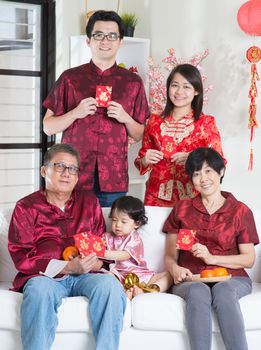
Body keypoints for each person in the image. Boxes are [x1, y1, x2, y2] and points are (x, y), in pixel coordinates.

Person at [8, 144, 126, 350]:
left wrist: (95, 263)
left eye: (72, 169)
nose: (66, 174)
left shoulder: (89, 202)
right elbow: (21, 256)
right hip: (45, 277)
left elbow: (100, 246)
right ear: (45, 170)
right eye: (60, 166)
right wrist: (66, 268)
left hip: (87, 275)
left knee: (110, 287)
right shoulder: (25, 207)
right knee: (38, 291)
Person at [43, 10, 149, 207]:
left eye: (112, 36)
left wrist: (125, 118)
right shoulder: (70, 78)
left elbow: (140, 133)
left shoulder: (132, 82)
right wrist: (75, 112)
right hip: (73, 176)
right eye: (98, 35)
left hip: (113, 178)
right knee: (72, 235)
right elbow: (48, 127)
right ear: (88, 41)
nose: (105, 41)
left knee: (110, 233)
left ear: (120, 41)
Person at [163, 147, 259, 350]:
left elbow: (248, 259)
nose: (203, 178)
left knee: (223, 290)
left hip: (232, 277)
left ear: (221, 172)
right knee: (198, 291)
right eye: (196, 173)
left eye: (208, 171)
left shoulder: (240, 211)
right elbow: (170, 256)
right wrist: (175, 269)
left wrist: (212, 258)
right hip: (192, 279)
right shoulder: (181, 209)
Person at [135, 63, 225, 207]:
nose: (179, 92)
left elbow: (219, 162)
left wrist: (193, 158)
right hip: (156, 195)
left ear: (196, 91)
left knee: (188, 230)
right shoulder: (154, 121)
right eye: (175, 85)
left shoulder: (206, 123)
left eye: (186, 87)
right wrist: (145, 160)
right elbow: (140, 160)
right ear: (168, 87)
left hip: (193, 197)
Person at [103, 195, 172, 299]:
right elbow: (96, 248)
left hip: (139, 275)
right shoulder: (106, 236)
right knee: (106, 277)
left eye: (123, 221)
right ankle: (126, 292)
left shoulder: (134, 238)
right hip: (118, 276)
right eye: (114, 220)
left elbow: (125, 255)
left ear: (136, 223)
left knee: (169, 275)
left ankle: (148, 290)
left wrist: (103, 253)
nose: (117, 225)